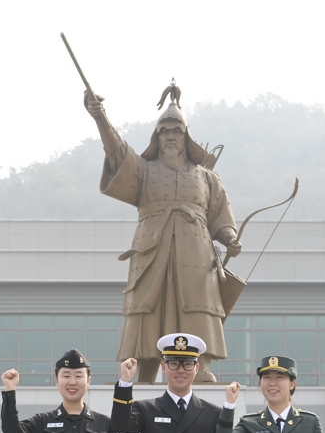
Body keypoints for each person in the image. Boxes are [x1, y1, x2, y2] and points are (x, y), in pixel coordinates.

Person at [85, 87, 242, 384]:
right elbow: (117, 152)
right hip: (152, 251)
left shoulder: (207, 177)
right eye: (164, 131)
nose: (170, 136)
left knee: (197, 305)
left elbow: (220, 215)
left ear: (187, 137)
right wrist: (100, 117)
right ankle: (143, 369)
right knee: (148, 306)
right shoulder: (143, 171)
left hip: (196, 253)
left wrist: (230, 237)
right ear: (156, 138)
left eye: (177, 131)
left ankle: (201, 365)